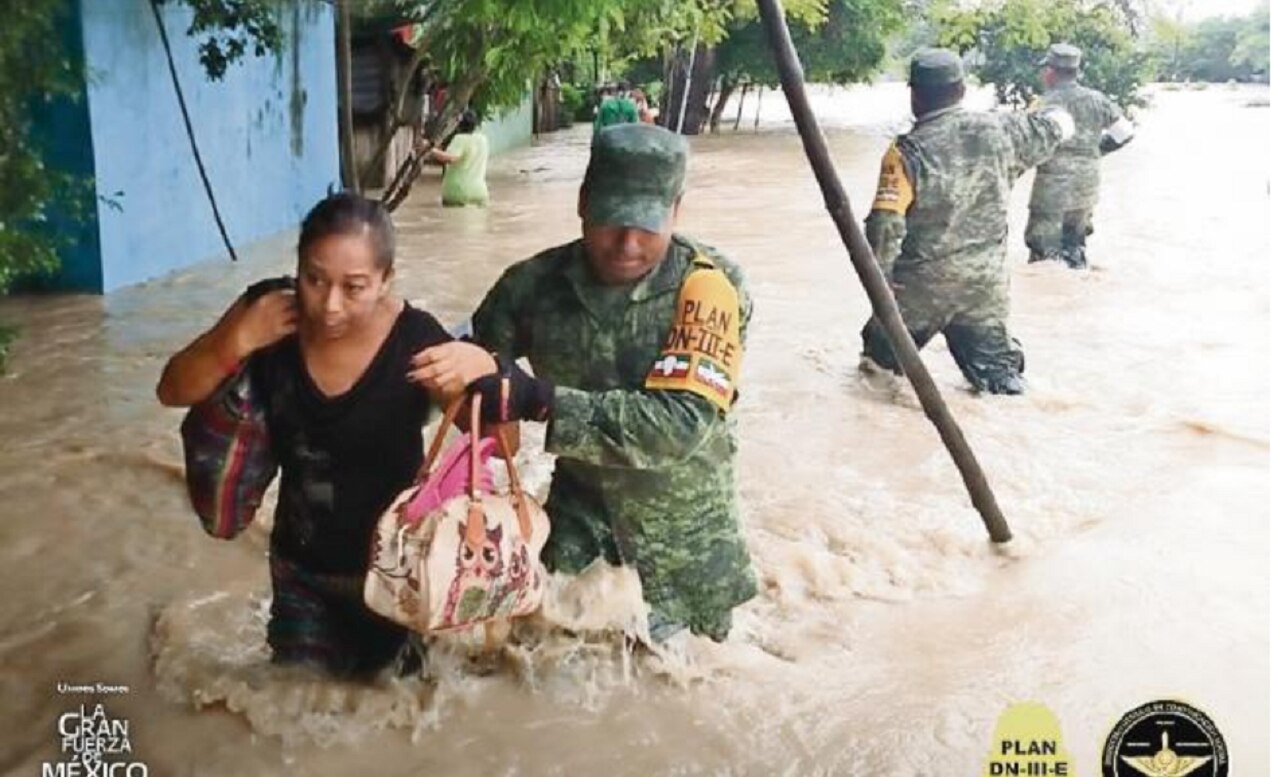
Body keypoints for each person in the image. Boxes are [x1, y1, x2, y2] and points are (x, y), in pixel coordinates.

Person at [420, 123, 757, 643]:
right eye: (611, 220)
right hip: (578, 526)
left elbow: (678, 425)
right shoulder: (531, 286)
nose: (627, 244)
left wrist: (536, 399)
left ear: (676, 211)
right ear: (582, 202)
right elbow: (465, 368)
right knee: (537, 658)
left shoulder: (711, 288)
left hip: (686, 545)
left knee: (684, 679)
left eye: (646, 225)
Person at [156, 192, 497, 678]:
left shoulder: (416, 342)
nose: (330, 305)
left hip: (398, 578)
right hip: (302, 573)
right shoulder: (267, 315)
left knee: (397, 705)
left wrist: (482, 370)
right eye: (314, 279)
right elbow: (172, 390)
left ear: (386, 280)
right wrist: (238, 339)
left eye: (354, 287)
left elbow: (498, 444)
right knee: (296, 702)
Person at [859, 49, 1075, 396]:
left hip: (918, 291)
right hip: (984, 289)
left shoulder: (906, 152)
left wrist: (881, 285)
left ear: (915, 95)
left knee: (876, 376)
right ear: (961, 90)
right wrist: (1050, 106)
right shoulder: (1007, 131)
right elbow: (1062, 125)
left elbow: (884, 227)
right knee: (1001, 387)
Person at [1025, 43, 1135, 269]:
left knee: (1044, 256)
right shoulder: (1098, 99)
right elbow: (1125, 132)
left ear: (1050, 72)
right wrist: (1096, 151)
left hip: (1052, 190)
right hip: (1086, 187)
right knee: (1075, 248)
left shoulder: (1044, 103)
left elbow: (1026, 146)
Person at [428, 109, 490, 207]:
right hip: (480, 192)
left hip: (458, 192)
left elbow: (451, 158)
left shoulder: (460, 139)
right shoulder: (483, 140)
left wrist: (429, 150)